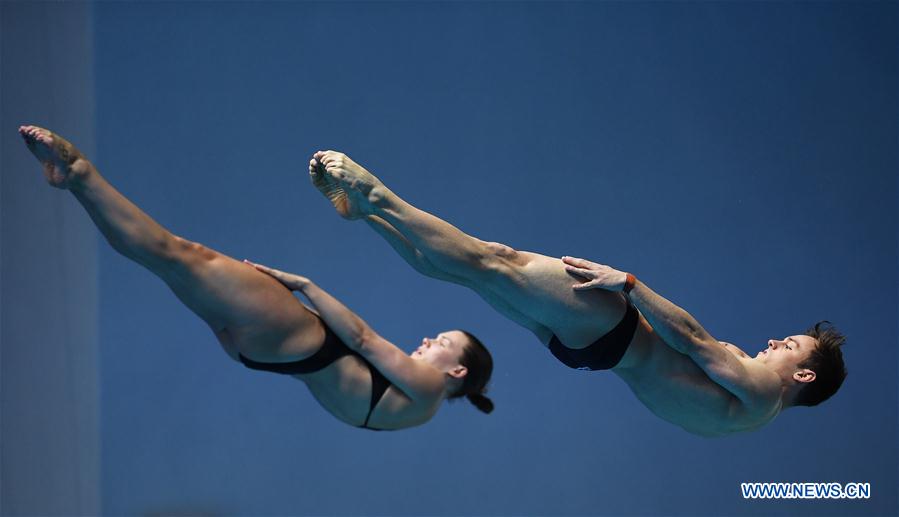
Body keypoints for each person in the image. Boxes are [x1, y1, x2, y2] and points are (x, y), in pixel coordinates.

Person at [310, 150, 847, 437]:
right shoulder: (749, 418)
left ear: (804, 375)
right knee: (472, 271)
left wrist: (629, 284)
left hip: (614, 327)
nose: (777, 341)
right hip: (592, 355)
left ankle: (378, 196)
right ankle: (370, 218)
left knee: (489, 260)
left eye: (792, 347)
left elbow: (694, 339)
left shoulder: (759, 391)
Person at [17, 125, 493, 431]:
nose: (430, 338)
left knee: (177, 253)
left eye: (443, 341)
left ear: (458, 372)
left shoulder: (429, 392)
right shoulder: (412, 413)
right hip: (261, 354)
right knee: (163, 260)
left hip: (297, 337)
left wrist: (304, 286)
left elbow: (365, 340)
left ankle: (80, 174)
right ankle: (77, 184)